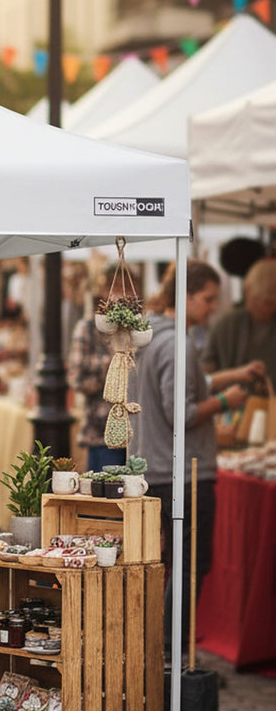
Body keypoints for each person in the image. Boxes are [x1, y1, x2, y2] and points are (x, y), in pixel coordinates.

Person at [132, 260, 266, 655]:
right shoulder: (178, 343)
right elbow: (183, 412)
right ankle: (175, 655)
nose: (213, 308)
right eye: (208, 299)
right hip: (184, 472)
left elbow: (188, 386)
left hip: (152, 468)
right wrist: (227, 400)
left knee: (163, 566)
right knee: (190, 566)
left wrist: (232, 375)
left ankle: (158, 648)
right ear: (186, 296)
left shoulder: (147, 336)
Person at [67, 265, 134, 473]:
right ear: (105, 291)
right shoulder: (88, 327)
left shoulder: (137, 328)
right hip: (101, 432)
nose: (124, 295)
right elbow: (76, 379)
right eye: (117, 288)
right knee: (104, 495)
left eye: (129, 289)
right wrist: (110, 368)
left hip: (136, 434)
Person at [202, 257, 276, 384]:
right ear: (247, 293)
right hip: (229, 401)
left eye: (269, 303)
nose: (263, 308)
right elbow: (206, 372)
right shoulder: (225, 326)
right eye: (257, 301)